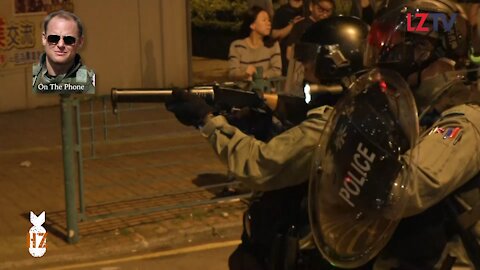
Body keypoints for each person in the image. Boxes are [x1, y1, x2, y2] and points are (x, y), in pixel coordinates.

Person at [166, 16, 370, 269]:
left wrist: (207, 120)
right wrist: (261, 107)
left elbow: (258, 165)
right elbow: (297, 109)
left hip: (305, 255)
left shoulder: (327, 126)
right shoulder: (359, 108)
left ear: (333, 63)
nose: (304, 65)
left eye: (310, 57)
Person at [32, 10, 95, 94]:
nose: (61, 45)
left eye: (69, 40)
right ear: (44, 39)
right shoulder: (33, 77)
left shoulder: (89, 83)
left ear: (80, 42)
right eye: (54, 38)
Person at [228, 6, 281, 82]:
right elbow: (232, 73)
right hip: (243, 91)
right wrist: (244, 74)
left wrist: (258, 76)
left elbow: (276, 71)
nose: (268, 23)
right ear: (252, 25)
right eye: (264, 20)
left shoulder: (273, 45)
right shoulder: (237, 46)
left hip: (265, 90)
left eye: (269, 20)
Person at [284, 0, 334, 66]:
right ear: (311, 7)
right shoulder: (301, 26)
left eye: (328, 11)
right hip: (303, 68)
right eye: (320, 9)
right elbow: (290, 53)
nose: (325, 14)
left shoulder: (328, 28)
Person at [271, 0, 305, 76]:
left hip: (306, 57)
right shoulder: (281, 11)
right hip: (286, 59)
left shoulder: (309, 9)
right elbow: (274, 35)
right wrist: (293, 25)